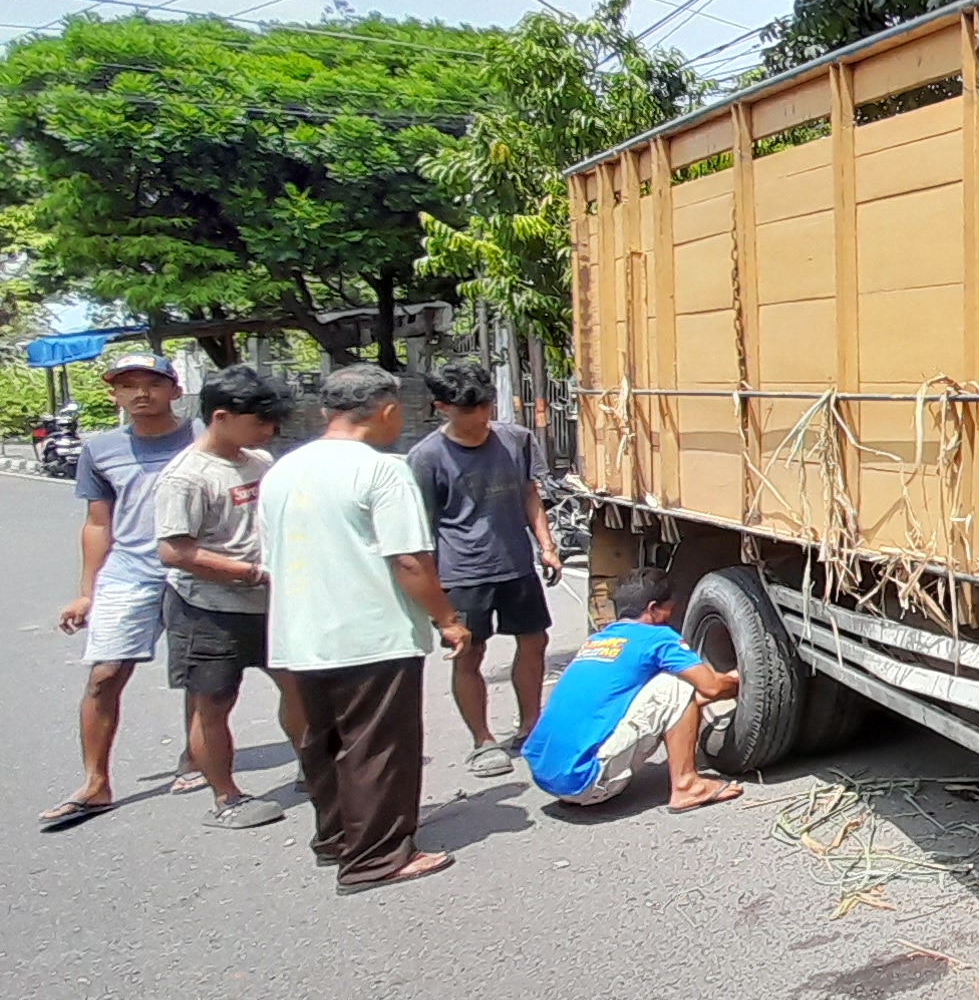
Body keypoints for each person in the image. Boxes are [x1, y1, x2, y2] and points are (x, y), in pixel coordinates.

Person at [261, 364, 471, 893]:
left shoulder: (282, 470)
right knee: (378, 745)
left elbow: (271, 558)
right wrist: (446, 619)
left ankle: (335, 839)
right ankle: (378, 858)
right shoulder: (382, 470)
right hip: (369, 632)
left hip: (301, 633)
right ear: (387, 410)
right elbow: (410, 561)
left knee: (324, 742)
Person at [41, 353, 202, 831]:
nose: (140, 394)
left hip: (195, 568)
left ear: (174, 389)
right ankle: (95, 782)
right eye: (127, 385)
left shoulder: (202, 439)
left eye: (150, 383)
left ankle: (197, 759)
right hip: (130, 571)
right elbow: (97, 522)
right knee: (105, 674)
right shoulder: (100, 448)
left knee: (200, 672)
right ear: (113, 395)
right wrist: (86, 592)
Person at [155, 365, 300, 830]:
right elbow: (174, 550)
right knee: (212, 704)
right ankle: (225, 796)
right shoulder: (186, 477)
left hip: (270, 602)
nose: (268, 430)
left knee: (298, 687)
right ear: (220, 416)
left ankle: (314, 769)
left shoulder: (259, 462)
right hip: (209, 609)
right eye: (259, 420)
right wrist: (251, 572)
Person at [408, 359, 561, 779]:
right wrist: (432, 591)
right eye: (467, 409)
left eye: (485, 407)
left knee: (534, 642)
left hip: (516, 564)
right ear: (442, 408)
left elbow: (530, 495)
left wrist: (546, 546)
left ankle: (531, 725)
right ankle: (482, 741)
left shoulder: (516, 440)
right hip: (461, 572)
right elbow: (421, 525)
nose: (479, 417)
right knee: (469, 653)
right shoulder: (426, 458)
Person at [522, 568, 743, 813]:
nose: (672, 613)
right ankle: (687, 785)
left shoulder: (598, 640)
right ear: (652, 609)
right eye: (669, 607)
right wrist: (741, 679)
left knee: (671, 691)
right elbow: (710, 687)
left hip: (547, 777)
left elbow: (672, 705)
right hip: (584, 784)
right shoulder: (657, 637)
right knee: (678, 683)